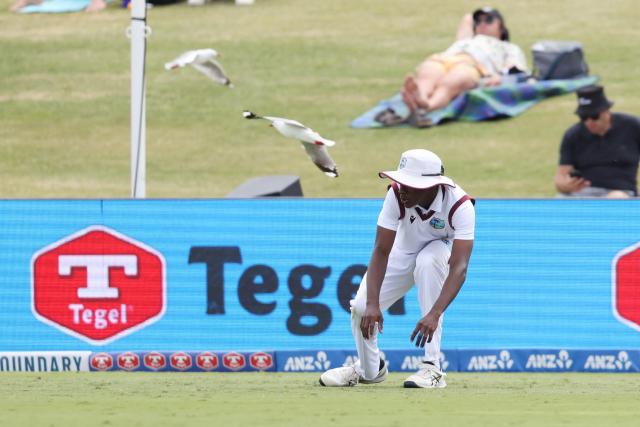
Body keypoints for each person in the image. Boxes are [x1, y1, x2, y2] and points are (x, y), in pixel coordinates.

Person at [319, 149, 475, 388]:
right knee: (361, 307)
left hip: (438, 250)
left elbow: (459, 266)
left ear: (431, 186)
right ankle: (369, 370)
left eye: (410, 185)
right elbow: (381, 250)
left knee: (429, 260)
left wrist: (433, 314)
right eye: (401, 182)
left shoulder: (461, 206)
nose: (402, 189)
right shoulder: (395, 194)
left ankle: (432, 368)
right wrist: (373, 304)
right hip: (402, 252)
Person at [378, 7, 528, 127]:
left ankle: (426, 105)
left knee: (450, 83)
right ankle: (419, 97)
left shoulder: (507, 47)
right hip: (444, 58)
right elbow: (467, 18)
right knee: (428, 75)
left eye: (489, 20)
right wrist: (479, 18)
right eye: (479, 21)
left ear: (501, 28)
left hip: (471, 63)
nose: (482, 23)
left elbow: (515, 69)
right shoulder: (466, 40)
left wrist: (498, 77)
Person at [554, 85, 640, 198]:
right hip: (581, 193)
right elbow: (560, 178)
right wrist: (565, 186)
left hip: (621, 192)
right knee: (559, 200)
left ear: (606, 111)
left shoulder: (632, 126)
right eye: (584, 117)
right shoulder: (573, 135)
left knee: (616, 198)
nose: (589, 122)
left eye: (594, 116)